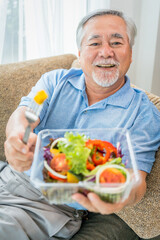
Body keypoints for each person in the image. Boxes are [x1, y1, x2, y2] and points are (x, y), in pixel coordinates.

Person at [0, 9, 160, 240]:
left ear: (131, 53)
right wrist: (16, 136)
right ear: (80, 52)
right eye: (94, 43)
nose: (106, 52)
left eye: (116, 42)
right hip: (8, 176)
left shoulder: (144, 114)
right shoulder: (54, 81)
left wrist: (121, 194)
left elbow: (136, 179)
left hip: (46, 209)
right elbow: (27, 112)